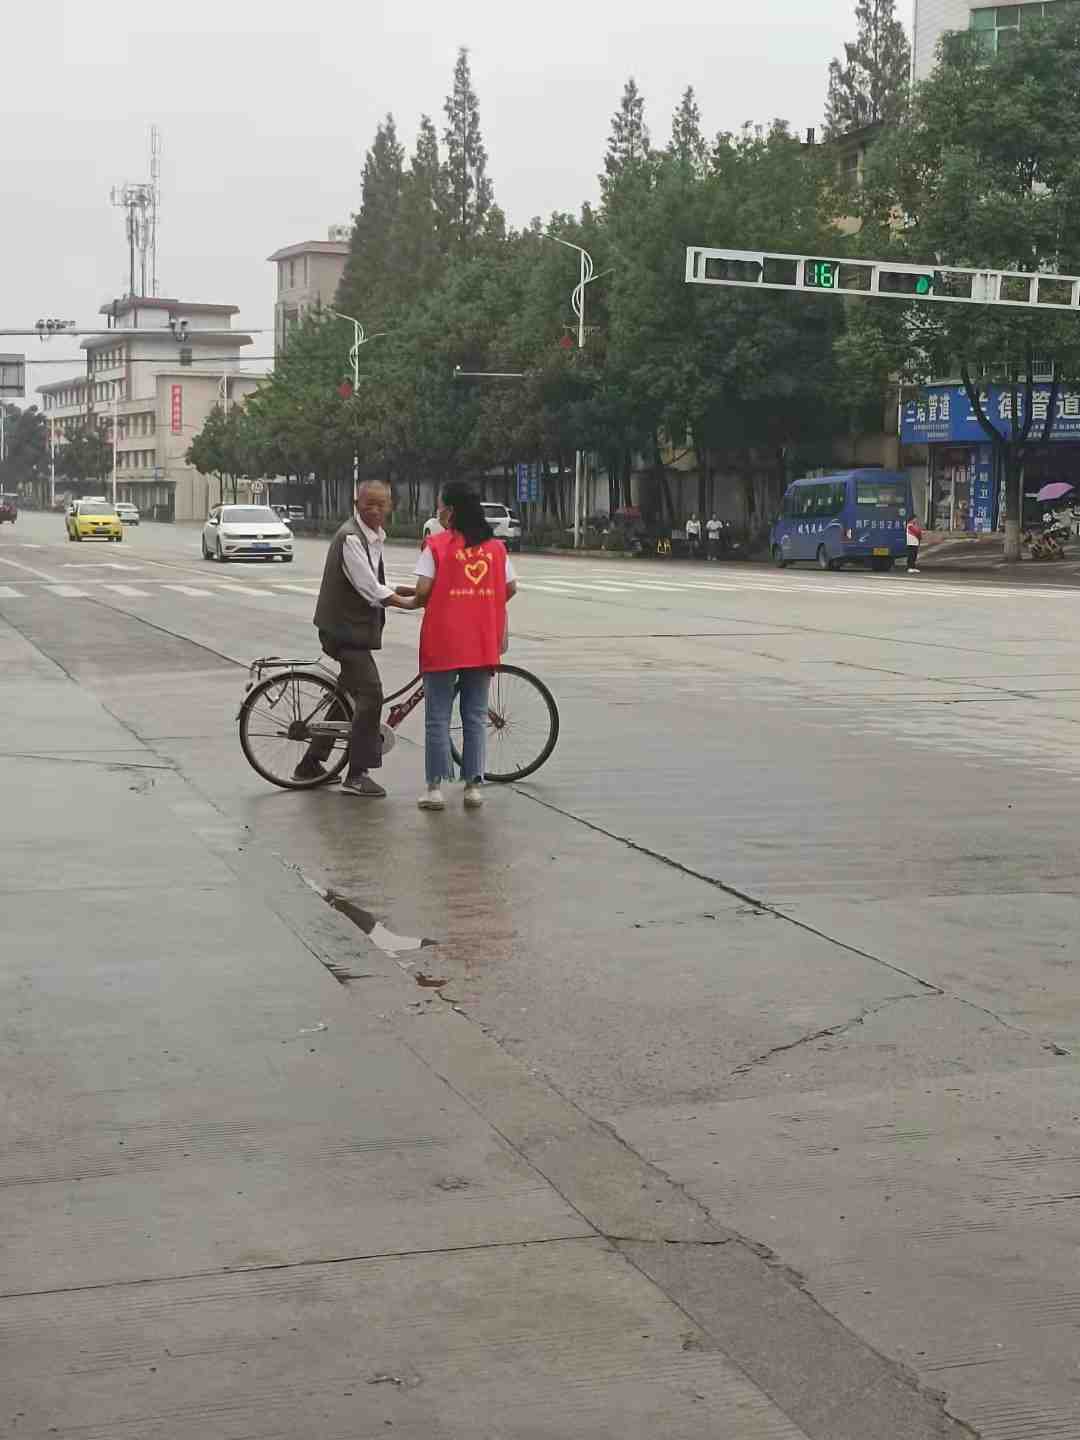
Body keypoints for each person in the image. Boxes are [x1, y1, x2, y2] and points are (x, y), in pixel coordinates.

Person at [397, 482, 517, 812]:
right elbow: (510, 587)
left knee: (437, 717)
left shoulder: (436, 545)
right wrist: (482, 605)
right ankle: (473, 787)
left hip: (443, 641)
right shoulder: (495, 548)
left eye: (440, 507)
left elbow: (423, 590)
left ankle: (435, 789)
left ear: (450, 511)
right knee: (475, 717)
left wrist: (403, 600)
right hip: (481, 641)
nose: (438, 513)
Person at [298, 479, 407, 796]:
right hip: (343, 632)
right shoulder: (350, 537)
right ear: (356, 503)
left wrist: (405, 591)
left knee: (347, 696)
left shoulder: (373, 536)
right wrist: (410, 602)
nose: (375, 510)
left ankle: (310, 764)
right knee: (371, 693)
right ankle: (357, 774)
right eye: (369, 503)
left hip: (351, 630)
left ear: (390, 507)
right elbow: (369, 588)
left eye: (381, 504)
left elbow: (372, 582)